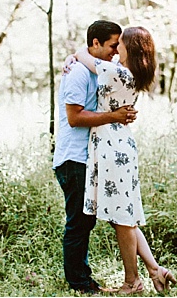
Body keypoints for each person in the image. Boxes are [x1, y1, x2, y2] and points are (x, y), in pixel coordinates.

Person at [66, 26, 176, 294]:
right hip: (118, 142)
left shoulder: (117, 72)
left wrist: (74, 55)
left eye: (120, 44)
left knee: (123, 219)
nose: (116, 49)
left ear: (130, 48)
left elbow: (86, 56)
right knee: (123, 217)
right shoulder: (129, 71)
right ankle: (154, 270)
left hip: (111, 146)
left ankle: (132, 281)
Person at [53, 20, 137, 294]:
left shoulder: (99, 71)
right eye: (113, 45)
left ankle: (84, 277)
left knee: (87, 219)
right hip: (73, 157)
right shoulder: (78, 73)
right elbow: (74, 117)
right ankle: (80, 283)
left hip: (89, 156)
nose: (116, 51)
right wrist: (114, 117)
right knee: (78, 221)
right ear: (96, 43)